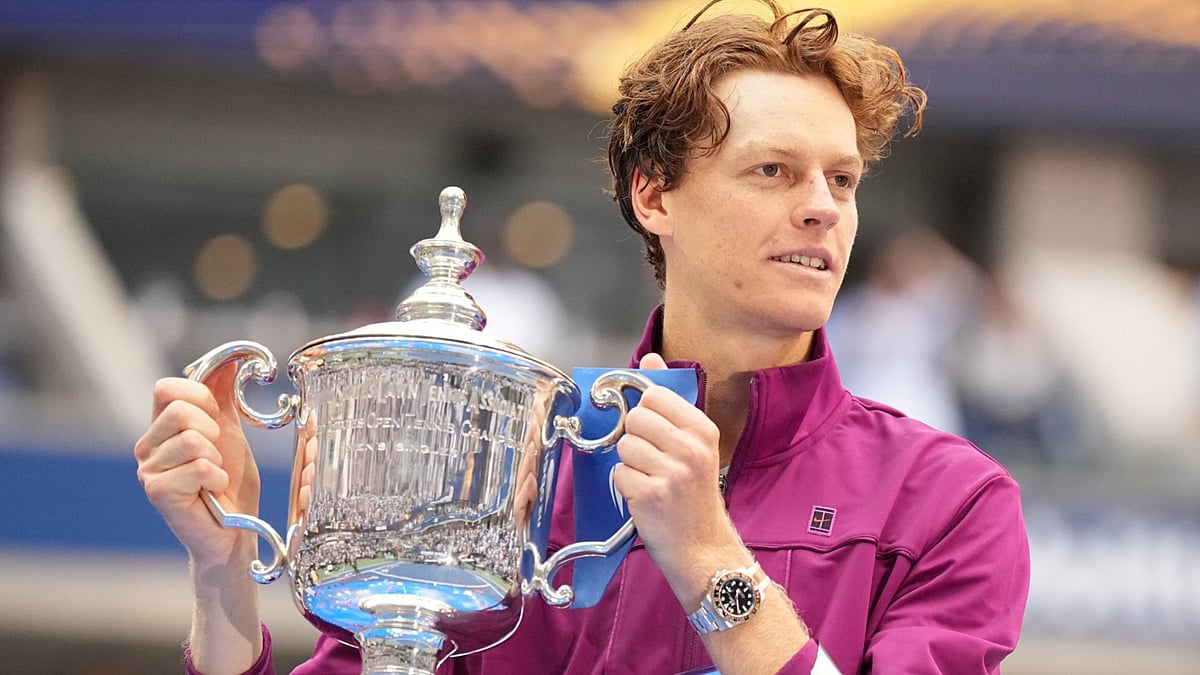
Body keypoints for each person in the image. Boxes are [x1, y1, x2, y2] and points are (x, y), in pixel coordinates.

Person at [134, 2, 1029, 673]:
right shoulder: (521, 463)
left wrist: (712, 557)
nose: (822, 208)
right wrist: (223, 573)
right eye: (773, 170)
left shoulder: (946, 501)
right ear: (654, 196)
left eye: (843, 178)